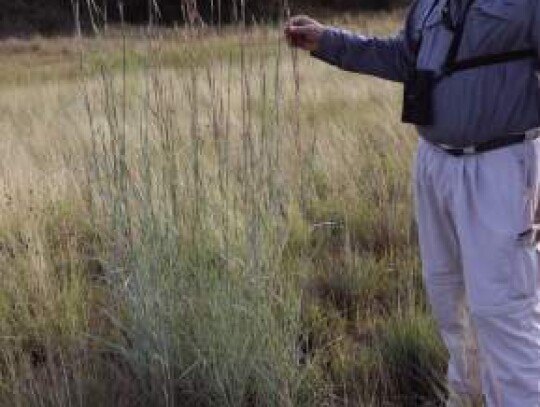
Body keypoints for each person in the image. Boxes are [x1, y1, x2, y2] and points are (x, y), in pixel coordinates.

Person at [285, 1, 540, 406]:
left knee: (502, 310)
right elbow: (404, 57)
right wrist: (327, 41)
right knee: (448, 301)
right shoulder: (430, 4)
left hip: (503, 167)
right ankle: (467, 398)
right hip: (435, 165)